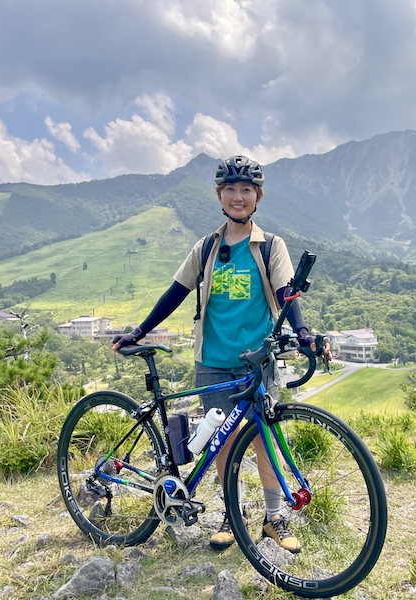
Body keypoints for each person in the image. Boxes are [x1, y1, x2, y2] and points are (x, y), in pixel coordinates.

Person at [112, 155, 314, 553]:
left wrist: (303, 331)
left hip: (256, 361)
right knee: (222, 442)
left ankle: (274, 518)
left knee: (264, 438)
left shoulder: (270, 245)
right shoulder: (206, 247)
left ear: (258, 196)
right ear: (219, 195)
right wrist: (140, 330)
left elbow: (287, 294)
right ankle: (230, 514)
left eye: (246, 190)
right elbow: (176, 291)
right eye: (230, 190)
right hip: (212, 361)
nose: (238, 197)